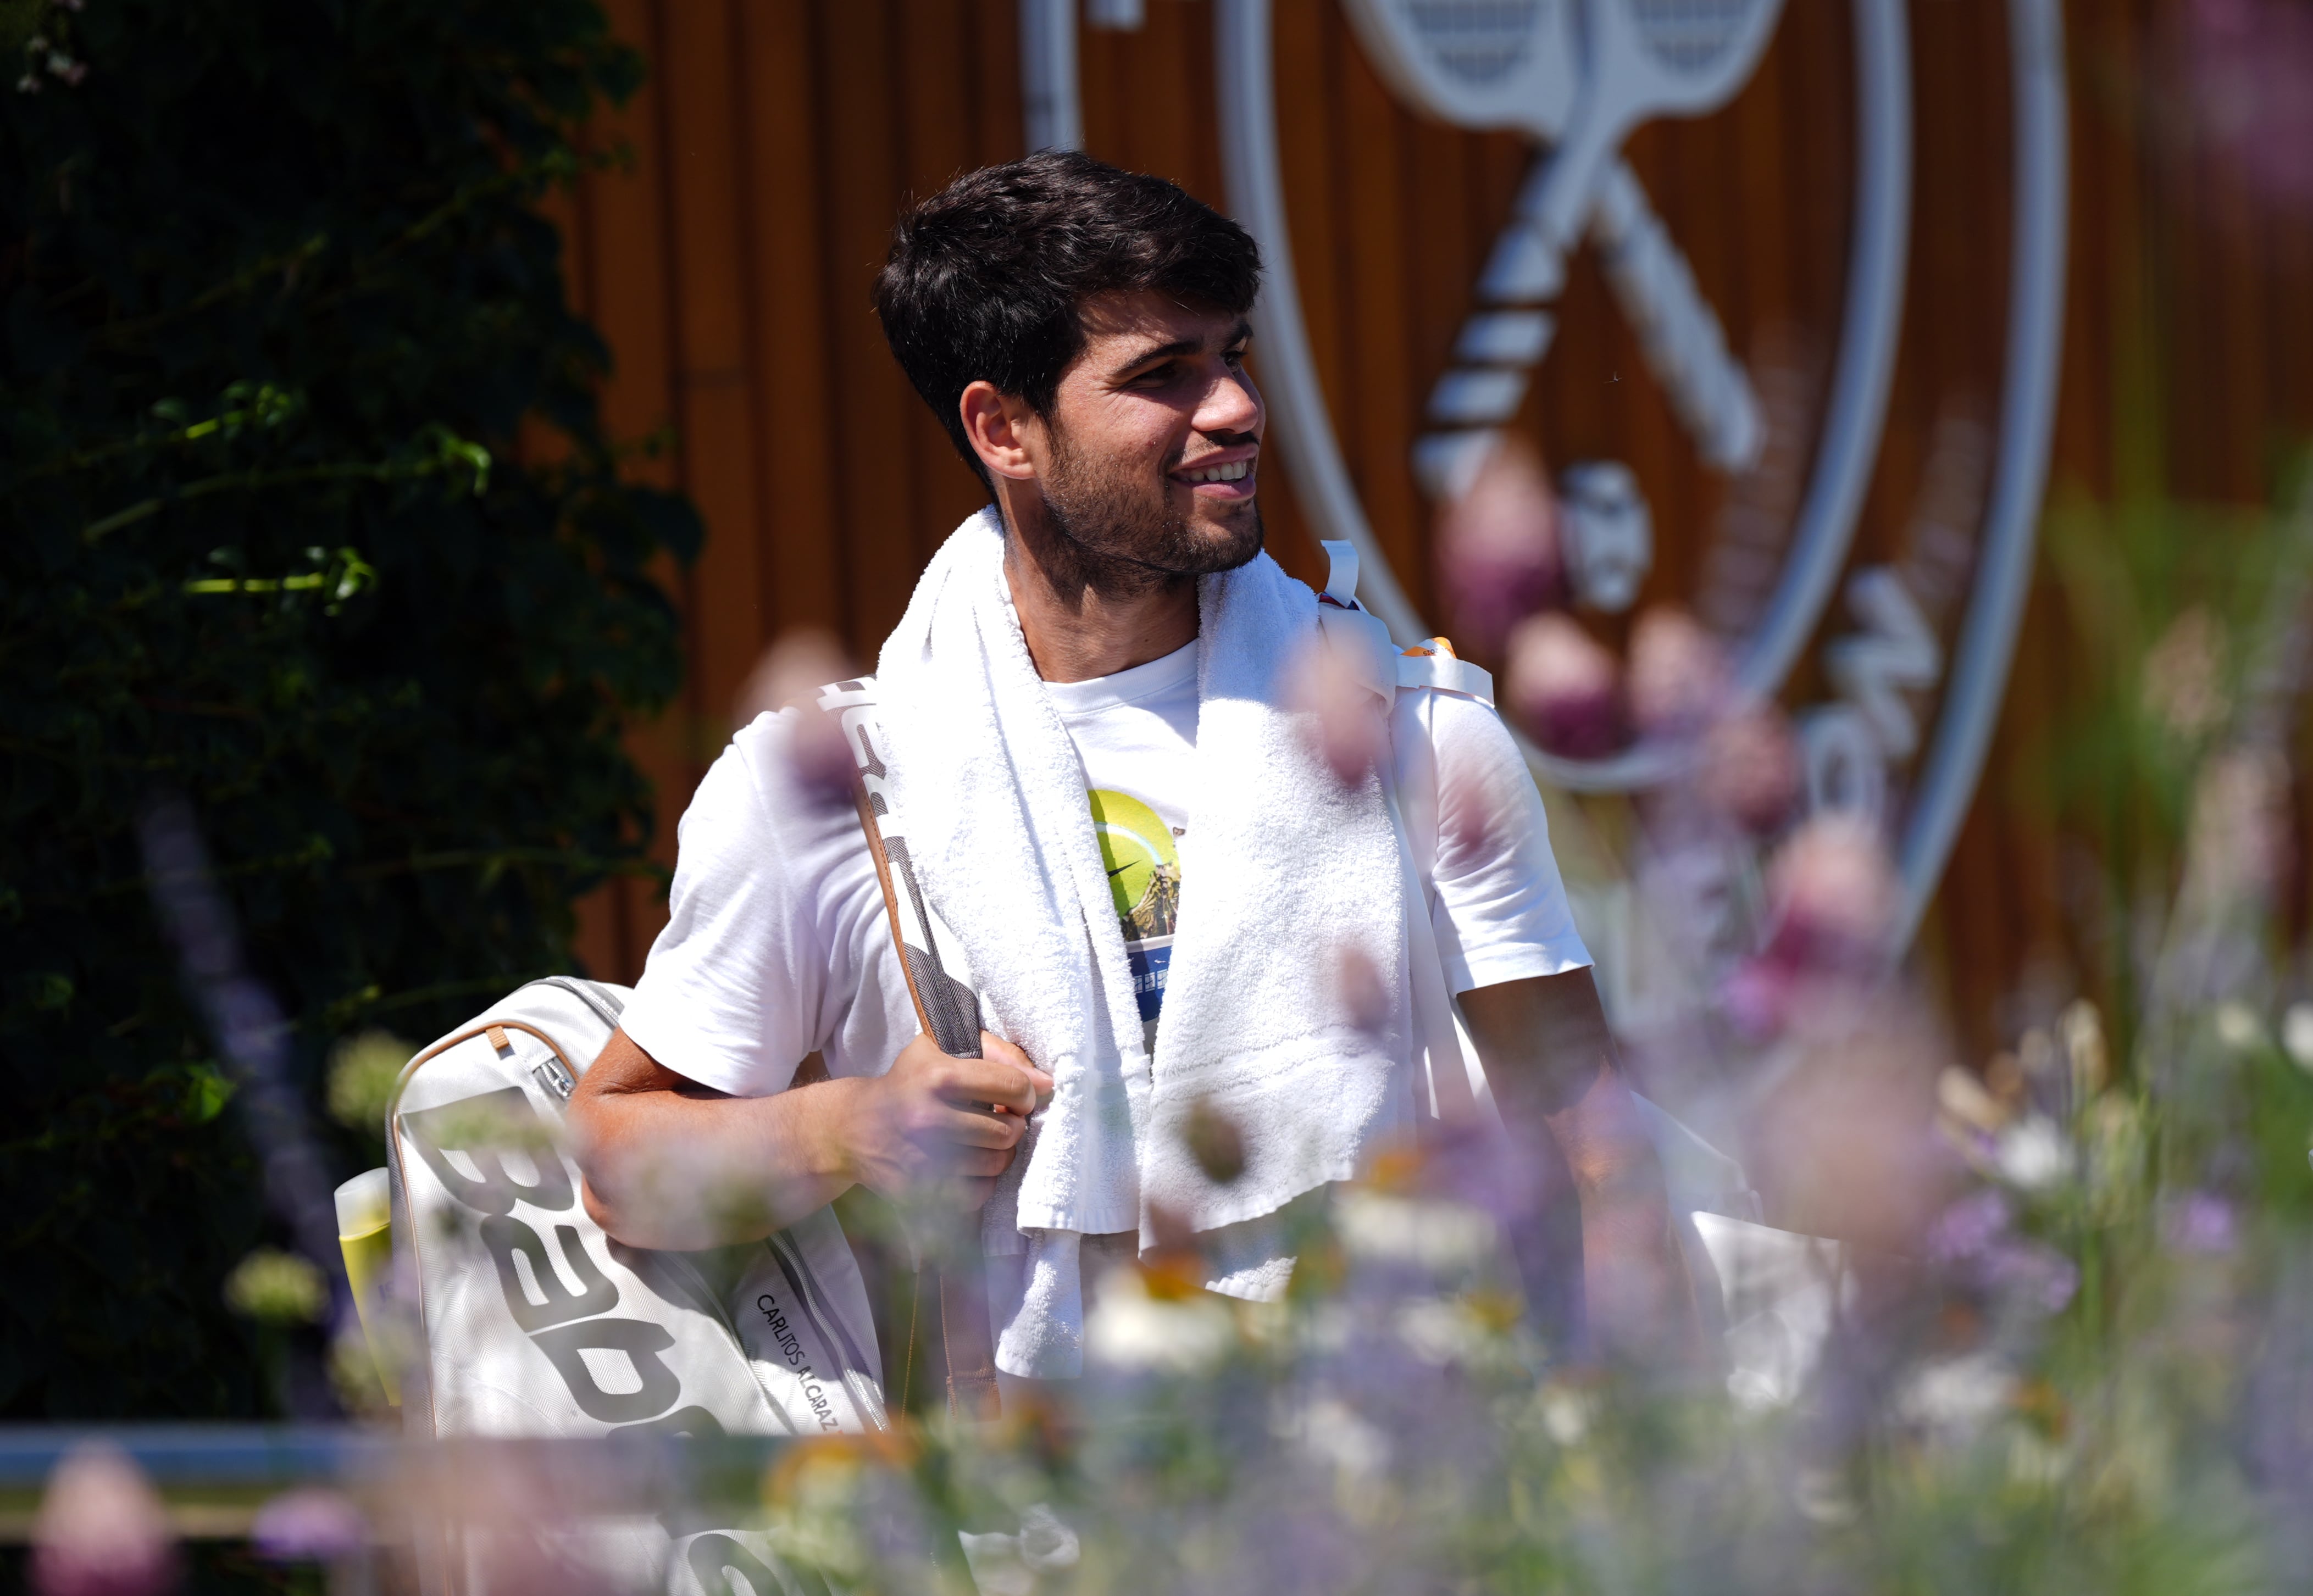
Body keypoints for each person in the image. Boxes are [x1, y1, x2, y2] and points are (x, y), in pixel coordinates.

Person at [568, 151, 1690, 1393]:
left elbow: (1593, 1137)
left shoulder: (1414, 739)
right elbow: (617, 1160)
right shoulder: (834, 787)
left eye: (1232, 353)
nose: (1235, 407)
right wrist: (842, 1128)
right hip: (1021, 1540)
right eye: (1162, 374)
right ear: (1003, 429)